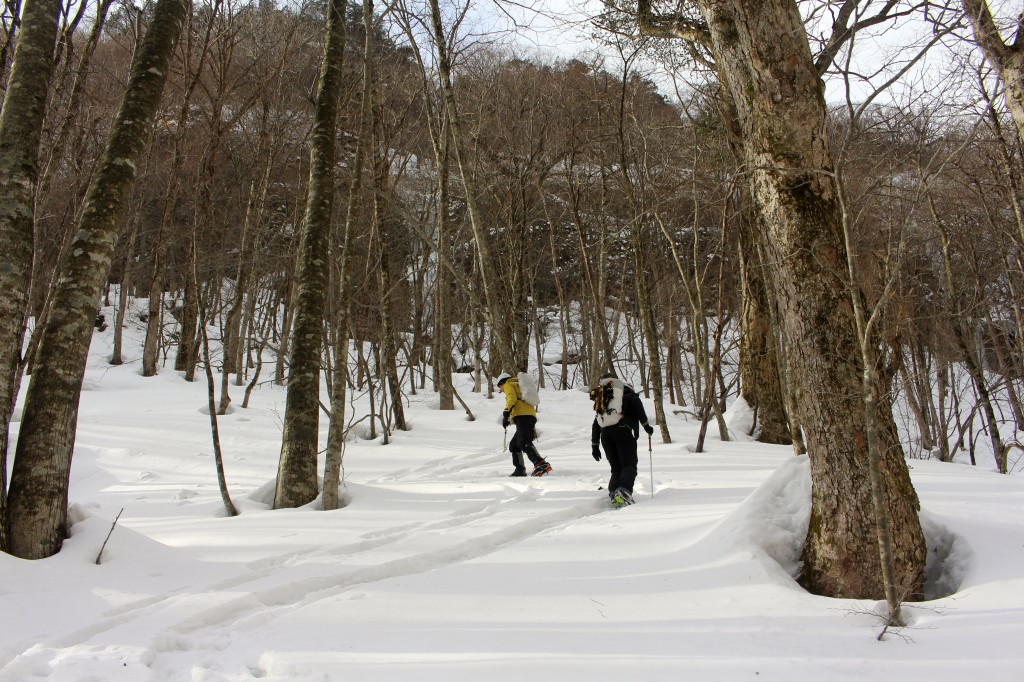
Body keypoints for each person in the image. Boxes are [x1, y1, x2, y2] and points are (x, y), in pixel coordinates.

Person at [590, 372, 653, 507]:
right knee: (629, 464)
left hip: (605, 435)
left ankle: (614, 493)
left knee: (616, 468)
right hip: (623, 432)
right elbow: (637, 404)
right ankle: (623, 492)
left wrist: (595, 446)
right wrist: (646, 425)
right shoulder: (627, 394)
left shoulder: (605, 401)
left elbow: (596, 423)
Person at [498, 373, 551, 477]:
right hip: (528, 415)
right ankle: (520, 470)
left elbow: (511, 398)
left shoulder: (508, 383)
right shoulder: (517, 384)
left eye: (499, 386)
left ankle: (540, 463)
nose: (501, 389)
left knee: (524, 441)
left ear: (502, 382)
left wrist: (505, 414)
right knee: (514, 445)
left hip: (523, 416)